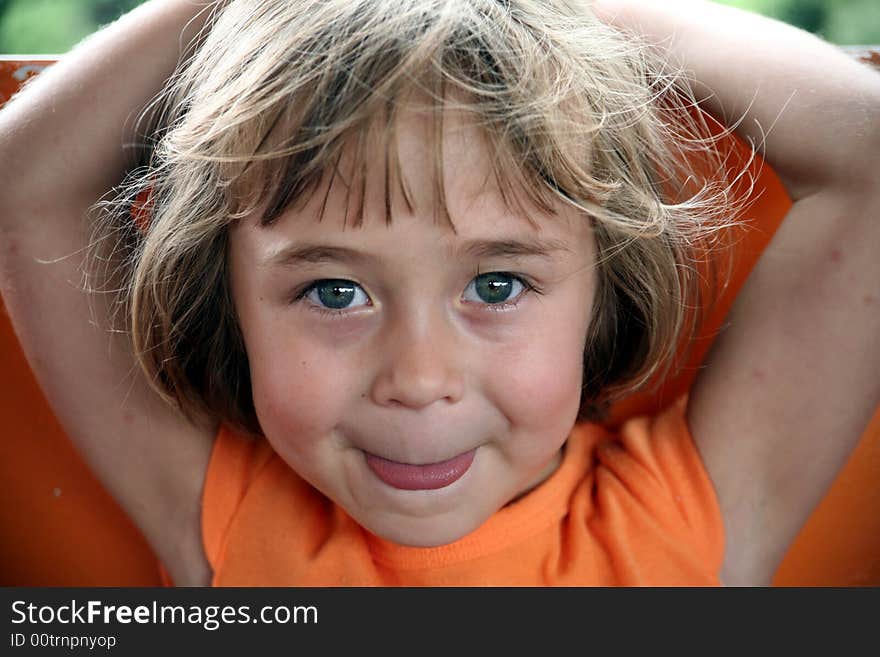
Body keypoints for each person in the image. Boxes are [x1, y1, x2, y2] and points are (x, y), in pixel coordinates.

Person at [0, 0, 876, 587]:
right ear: (225, 303)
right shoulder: (230, 528)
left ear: (604, 291)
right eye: (335, 292)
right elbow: (21, 189)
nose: (419, 379)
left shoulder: (679, 534)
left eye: (497, 284)